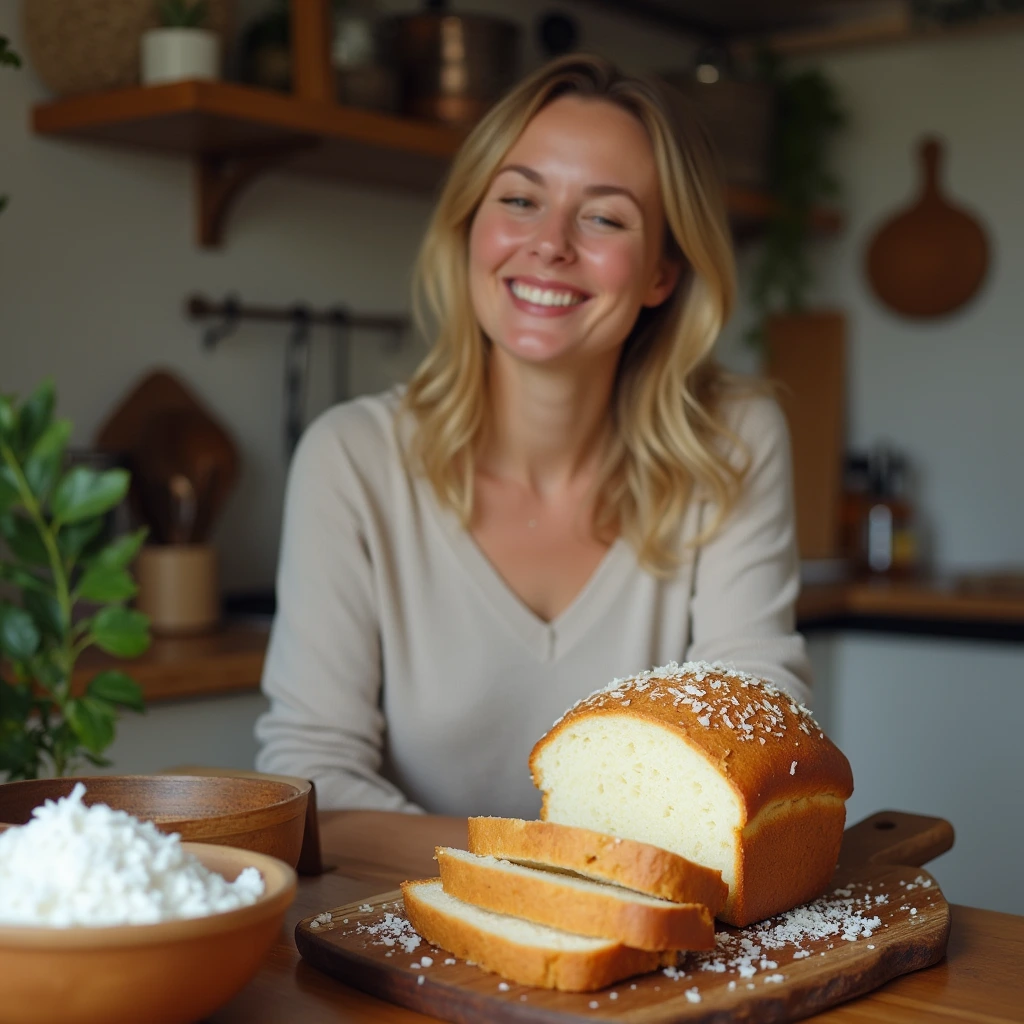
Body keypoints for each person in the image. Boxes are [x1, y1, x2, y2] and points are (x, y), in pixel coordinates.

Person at [254, 54, 811, 859]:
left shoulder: (732, 442)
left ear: (662, 271)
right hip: (401, 942)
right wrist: (565, 863)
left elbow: (755, 744)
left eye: (605, 218)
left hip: (670, 952)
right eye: (519, 200)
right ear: (471, 225)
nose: (549, 244)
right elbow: (311, 793)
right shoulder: (351, 461)